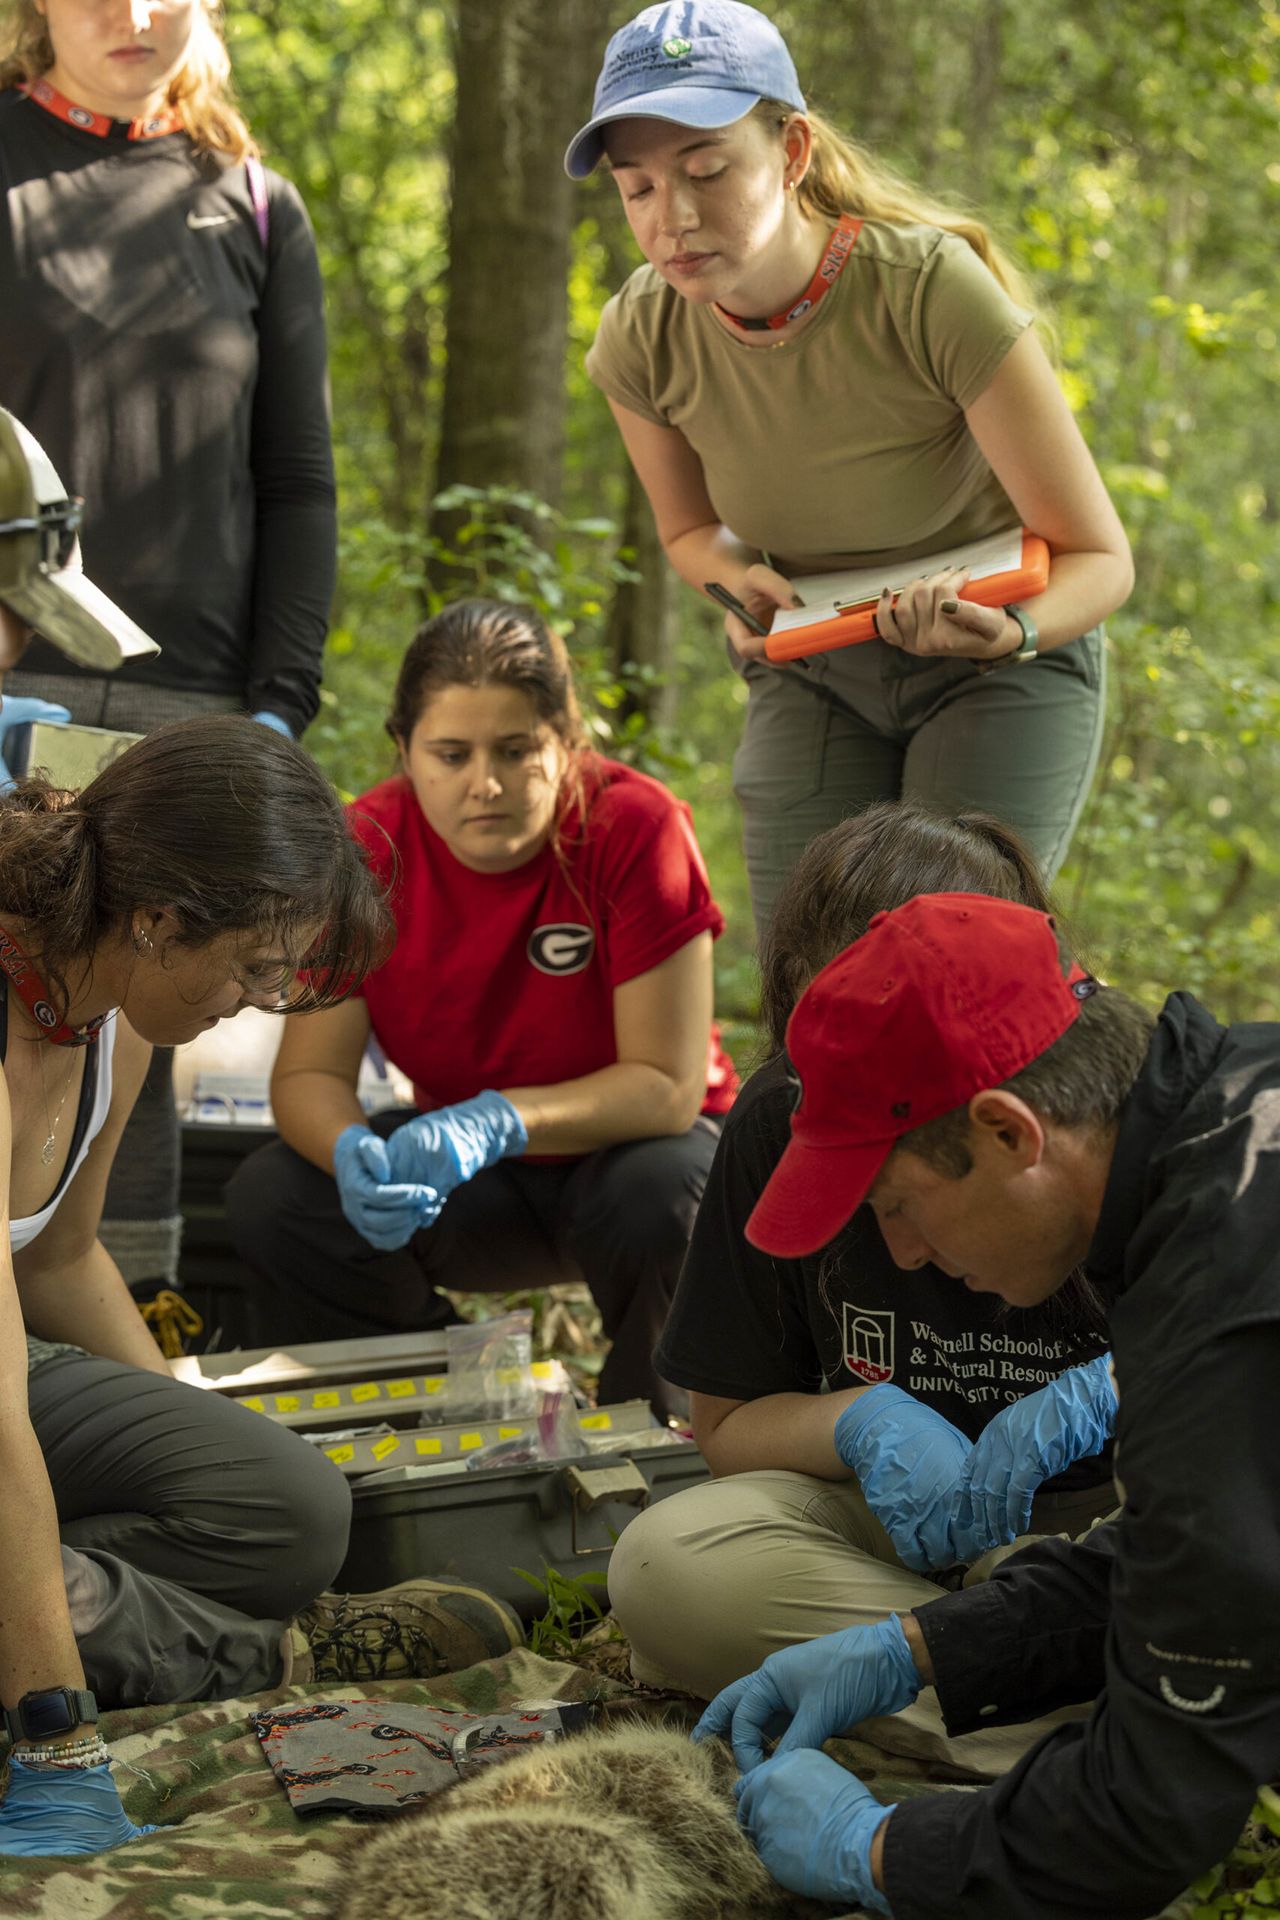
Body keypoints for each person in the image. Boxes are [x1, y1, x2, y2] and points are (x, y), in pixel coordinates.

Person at [696, 891, 1280, 1919]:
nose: (908, 1258)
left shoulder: (1215, 1308)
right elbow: (1197, 1555)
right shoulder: (1228, 1108)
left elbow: (1145, 1817)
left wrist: (879, 1850)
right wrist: (922, 1648)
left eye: (897, 1209)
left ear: (1008, 1133)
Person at [0, 712, 522, 1861]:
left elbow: (57, 1255)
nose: (256, 999)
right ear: (156, 917)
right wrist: (53, 1735)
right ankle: (247, 1654)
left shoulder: (113, 1013)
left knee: (288, 1509)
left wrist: (187, 1443)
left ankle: (55, 1594)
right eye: (251, 966)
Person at [568, 0, 1133, 935]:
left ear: (791, 153)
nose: (674, 218)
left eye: (707, 171)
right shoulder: (641, 333)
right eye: (638, 190)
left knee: (954, 951)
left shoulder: (928, 291)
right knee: (814, 967)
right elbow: (689, 532)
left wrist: (1014, 632)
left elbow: (1100, 559)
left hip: (996, 663)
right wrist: (734, 583)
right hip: (819, 667)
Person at [608, 803, 1118, 1775]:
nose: (905, 1248)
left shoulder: (1123, 1119)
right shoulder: (782, 1118)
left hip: (1093, 1533)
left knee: (1118, 1588)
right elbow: (723, 1421)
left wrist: (1109, 1394)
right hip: (878, 1542)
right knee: (664, 1567)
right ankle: (1062, 1729)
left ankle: (1019, 1720)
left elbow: (1220, 1478)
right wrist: (855, 1421)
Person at [0, 0, 338, 1291]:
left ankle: (130, 1346)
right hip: (16, 691)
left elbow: (298, 483)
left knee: (144, 1057)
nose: (134, 17)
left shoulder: (253, 205)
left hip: (191, 716)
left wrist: (277, 708)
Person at [228, 599, 737, 1422]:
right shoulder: (367, 846)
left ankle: (653, 1430)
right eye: (451, 754)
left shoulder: (636, 829)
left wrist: (496, 1118)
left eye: (516, 750)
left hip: (627, 1164)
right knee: (277, 1198)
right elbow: (310, 1074)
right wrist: (351, 1148)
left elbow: (667, 1088)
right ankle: (437, 1405)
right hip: (467, 1185)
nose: (485, 785)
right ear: (403, 749)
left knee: (665, 1190)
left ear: (566, 743)